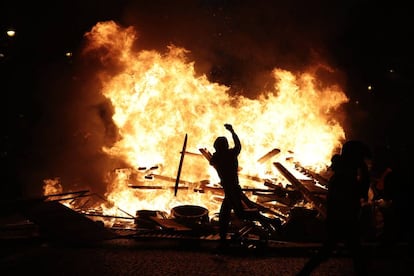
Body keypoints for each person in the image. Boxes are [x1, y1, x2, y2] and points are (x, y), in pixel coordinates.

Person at [297, 140, 371, 276]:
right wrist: (364, 173)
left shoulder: (343, 174)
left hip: (342, 220)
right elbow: (358, 194)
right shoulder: (344, 177)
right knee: (350, 252)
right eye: (360, 158)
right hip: (343, 221)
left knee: (351, 253)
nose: (361, 161)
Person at [209, 124, 280, 248]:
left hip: (231, 190)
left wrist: (231, 132)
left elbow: (212, 160)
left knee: (238, 214)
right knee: (226, 214)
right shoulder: (232, 154)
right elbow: (238, 145)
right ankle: (222, 237)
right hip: (233, 189)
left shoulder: (218, 157)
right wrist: (232, 131)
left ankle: (272, 221)